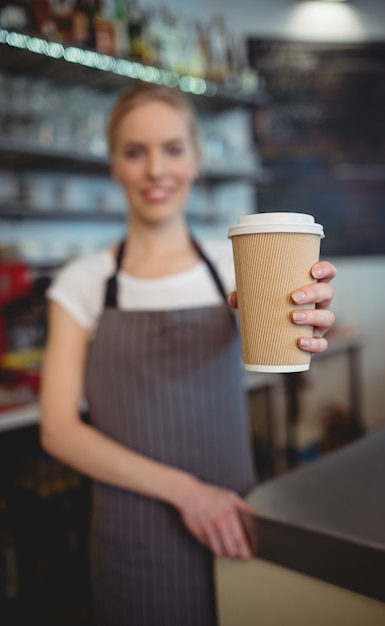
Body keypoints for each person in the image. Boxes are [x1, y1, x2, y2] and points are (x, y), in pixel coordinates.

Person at [40, 82, 336, 626]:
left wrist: (306, 316)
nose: (156, 169)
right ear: (114, 165)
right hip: (133, 536)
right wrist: (187, 493)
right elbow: (57, 429)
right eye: (135, 151)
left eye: (173, 149)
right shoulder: (81, 283)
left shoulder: (235, 266)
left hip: (236, 519)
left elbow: (295, 331)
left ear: (196, 160)